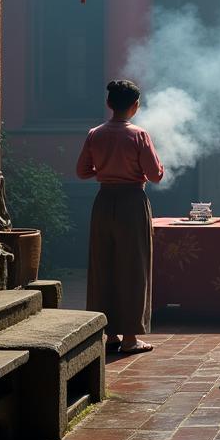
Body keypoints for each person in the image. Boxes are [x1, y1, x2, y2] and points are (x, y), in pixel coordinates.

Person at [76, 79, 164, 355]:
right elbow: (155, 175)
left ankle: (109, 333)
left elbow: (81, 171)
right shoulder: (139, 135)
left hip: (103, 202)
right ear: (135, 106)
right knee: (133, 268)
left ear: (109, 104)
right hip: (132, 202)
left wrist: (103, 172)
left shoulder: (95, 134)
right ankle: (130, 338)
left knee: (103, 265)